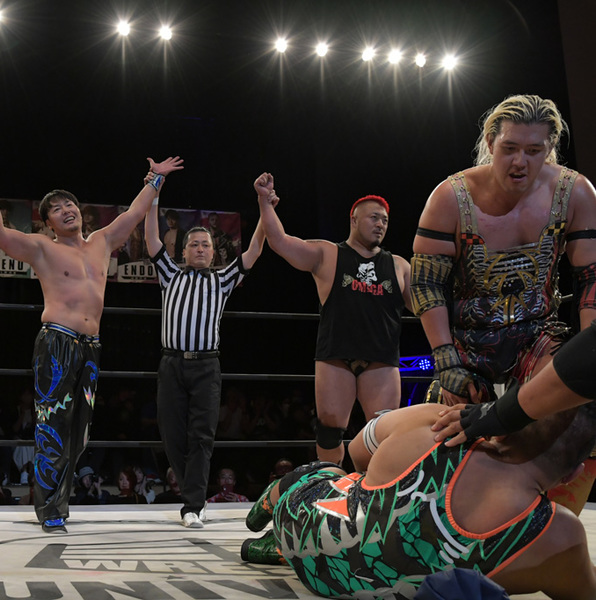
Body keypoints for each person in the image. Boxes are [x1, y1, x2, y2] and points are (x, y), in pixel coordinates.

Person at [0, 151, 184, 533]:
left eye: (69, 204)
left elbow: (136, 212)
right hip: (57, 342)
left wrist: (156, 178)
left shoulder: (102, 241)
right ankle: (49, 510)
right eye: (56, 209)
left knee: (78, 432)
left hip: (91, 346)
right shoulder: (43, 248)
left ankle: (60, 503)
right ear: (48, 222)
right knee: (52, 427)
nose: (66, 210)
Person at [411, 94, 596, 513]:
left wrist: (587, 361)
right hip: (468, 340)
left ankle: (547, 522)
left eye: (533, 150)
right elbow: (426, 284)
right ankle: (447, 519)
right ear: (491, 142)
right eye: (510, 148)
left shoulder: (575, 192)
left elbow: (591, 278)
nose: (520, 162)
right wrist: (446, 358)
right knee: (440, 434)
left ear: (550, 148)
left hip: (537, 334)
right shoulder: (450, 197)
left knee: (579, 410)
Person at [240, 401, 596, 599]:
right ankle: (274, 535)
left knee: (326, 472)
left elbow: (359, 452)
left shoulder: (437, 423)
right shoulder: (558, 534)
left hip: (306, 542)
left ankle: (270, 515)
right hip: (348, 589)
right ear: (573, 474)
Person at [256, 173, 413, 466]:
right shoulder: (328, 254)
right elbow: (279, 241)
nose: (380, 224)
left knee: (383, 433)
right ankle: (332, 483)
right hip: (336, 357)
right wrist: (265, 202)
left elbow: (425, 306)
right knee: (329, 431)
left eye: (385, 220)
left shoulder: (399, 266)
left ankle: (374, 487)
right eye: (374, 218)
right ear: (354, 220)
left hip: (380, 361)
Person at [145, 174, 267, 528]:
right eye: (194, 244)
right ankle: (192, 497)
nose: (199, 249)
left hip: (206, 366)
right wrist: (154, 192)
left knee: (201, 437)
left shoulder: (223, 278)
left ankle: (193, 506)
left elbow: (254, 251)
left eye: (205, 245)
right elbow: (151, 238)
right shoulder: (170, 273)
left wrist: (263, 206)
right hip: (171, 364)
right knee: (171, 435)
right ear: (183, 251)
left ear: (214, 252)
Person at [432, 319, 596, 446]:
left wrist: (502, 414)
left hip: (536, 334)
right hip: (466, 347)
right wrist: (448, 366)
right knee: (444, 415)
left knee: (570, 421)